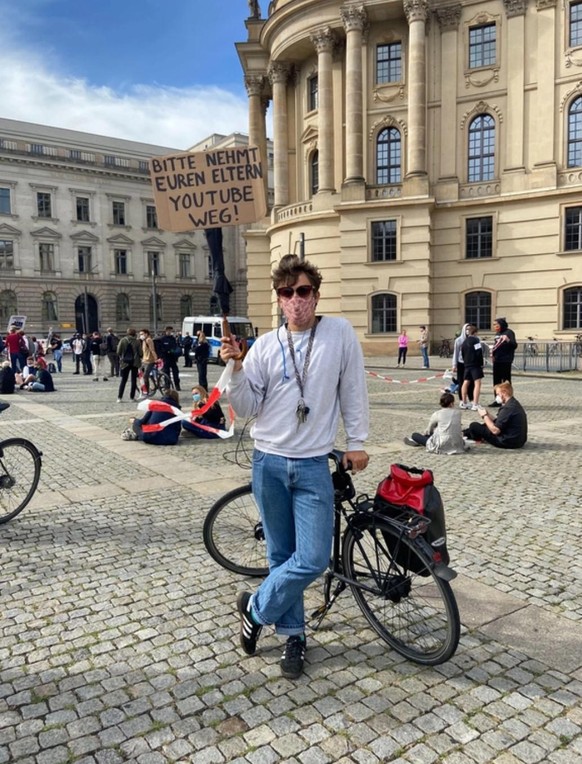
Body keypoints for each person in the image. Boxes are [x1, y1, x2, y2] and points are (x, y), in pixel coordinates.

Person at [220, 254, 369, 680]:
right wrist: (235, 367)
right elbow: (249, 407)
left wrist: (356, 443)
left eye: (303, 292)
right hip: (268, 462)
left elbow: (353, 390)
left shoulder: (337, 333)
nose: (296, 301)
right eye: (287, 294)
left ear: (316, 295)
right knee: (282, 555)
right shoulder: (266, 345)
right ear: (279, 300)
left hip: (311, 466)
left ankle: (255, 607)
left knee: (314, 558)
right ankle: (294, 637)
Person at [465, 382, 527, 449]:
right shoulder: (514, 403)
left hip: (506, 441)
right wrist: (488, 414)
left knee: (474, 426)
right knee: (485, 425)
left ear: (504, 392)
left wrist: (484, 416)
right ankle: (464, 433)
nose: (497, 397)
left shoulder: (508, 408)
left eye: (498, 394)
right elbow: (499, 422)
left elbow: (495, 430)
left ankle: (472, 436)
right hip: (518, 441)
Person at [404, 392, 468, 454]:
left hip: (442, 443)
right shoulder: (458, 413)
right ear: (451, 403)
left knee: (415, 435)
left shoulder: (437, 414)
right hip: (457, 443)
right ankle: (416, 441)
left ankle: (415, 441)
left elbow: (429, 430)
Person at [490, 317, 517, 406]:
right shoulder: (497, 333)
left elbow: (514, 345)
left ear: (501, 324)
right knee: (496, 381)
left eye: (496, 324)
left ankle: (508, 399)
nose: (494, 326)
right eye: (493, 325)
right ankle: (497, 399)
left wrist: (508, 340)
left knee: (506, 381)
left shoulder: (509, 332)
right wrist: (493, 355)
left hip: (506, 360)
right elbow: (495, 346)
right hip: (497, 360)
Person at [460, 324, 484, 410]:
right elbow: (479, 352)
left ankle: (464, 402)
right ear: (475, 332)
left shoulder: (464, 341)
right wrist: (481, 363)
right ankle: (475, 403)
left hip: (467, 364)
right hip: (475, 364)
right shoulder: (476, 340)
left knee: (466, 382)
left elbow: (462, 353)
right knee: (477, 383)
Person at [116, 328, 142, 403]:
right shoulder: (137, 341)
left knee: (123, 380)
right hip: (135, 363)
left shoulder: (123, 340)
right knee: (133, 380)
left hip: (125, 363)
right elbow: (140, 353)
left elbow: (118, 351)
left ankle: (119, 397)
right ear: (135, 334)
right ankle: (132, 397)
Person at [452, 323, 473, 403]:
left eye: (469, 329)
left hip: (470, 363)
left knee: (471, 382)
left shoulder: (473, 339)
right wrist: (454, 365)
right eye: (466, 329)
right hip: (461, 363)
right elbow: (456, 353)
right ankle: (462, 400)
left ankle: (471, 399)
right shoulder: (459, 340)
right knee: (461, 381)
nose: (468, 331)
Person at [158, 326, 181, 391]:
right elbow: (161, 349)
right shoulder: (162, 339)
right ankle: (167, 385)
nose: (170, 332)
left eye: (171, 331)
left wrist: (175, 353)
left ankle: (177, 385)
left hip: (173, 358)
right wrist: (164, 353)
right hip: (166, 358)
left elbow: (175, 347)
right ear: (165, 331)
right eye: (168, 331)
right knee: (166, 373)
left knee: (176, 372)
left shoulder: (173, 339)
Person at [139, 328, 158, 397]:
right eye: (140, 334)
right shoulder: (143, 340)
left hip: (150, 360)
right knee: (140, 374)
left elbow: (152, 350)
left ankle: (146, 392)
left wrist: (156, 358)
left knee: (145, 376)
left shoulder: (148, 340)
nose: (141, 335)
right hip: (144, 360)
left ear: (146, 334)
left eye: (142, 334)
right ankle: (148, 385)